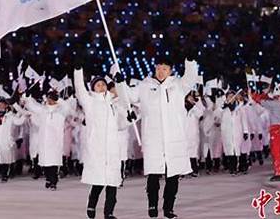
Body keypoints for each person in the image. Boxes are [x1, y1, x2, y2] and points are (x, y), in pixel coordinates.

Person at [115, 57, 198, 218]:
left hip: (173, 139)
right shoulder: (144, 86)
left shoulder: (177, 85)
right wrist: (120, 83)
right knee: (153, 176)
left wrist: (189, 61)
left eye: (165, 69)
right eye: (159, 68)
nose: (161, 72)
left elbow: (191, 77)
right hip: (153, 139)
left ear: (171, 71)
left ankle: (168, 208)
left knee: (172, 176)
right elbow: (128, 97)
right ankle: (152, 206)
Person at [75, 65, 127, 219]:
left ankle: (109, 212)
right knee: (98, 182)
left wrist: (130, 120)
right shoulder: (89, 102)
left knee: (112, 183)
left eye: (103, 84)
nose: (101, 86)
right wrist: (78, 71)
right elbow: (79, 89)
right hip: (97, 148)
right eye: (98, 85)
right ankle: (92, 204)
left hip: (112, 149)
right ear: (93, 88)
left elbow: (120, 124)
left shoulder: (114, 104)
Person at [23, 90, 73, 190]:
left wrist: (58, 99)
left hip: (55, 142)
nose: (50, 100)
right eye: (49, 98)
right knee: (45, 163)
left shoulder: (61, 111)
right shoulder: (43, 110)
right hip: (44, 141)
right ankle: (48, 179)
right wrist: (27, 97)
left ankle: (53, 182)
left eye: (52, 98)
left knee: (54, 163)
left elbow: (68, 107)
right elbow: (32, 107)